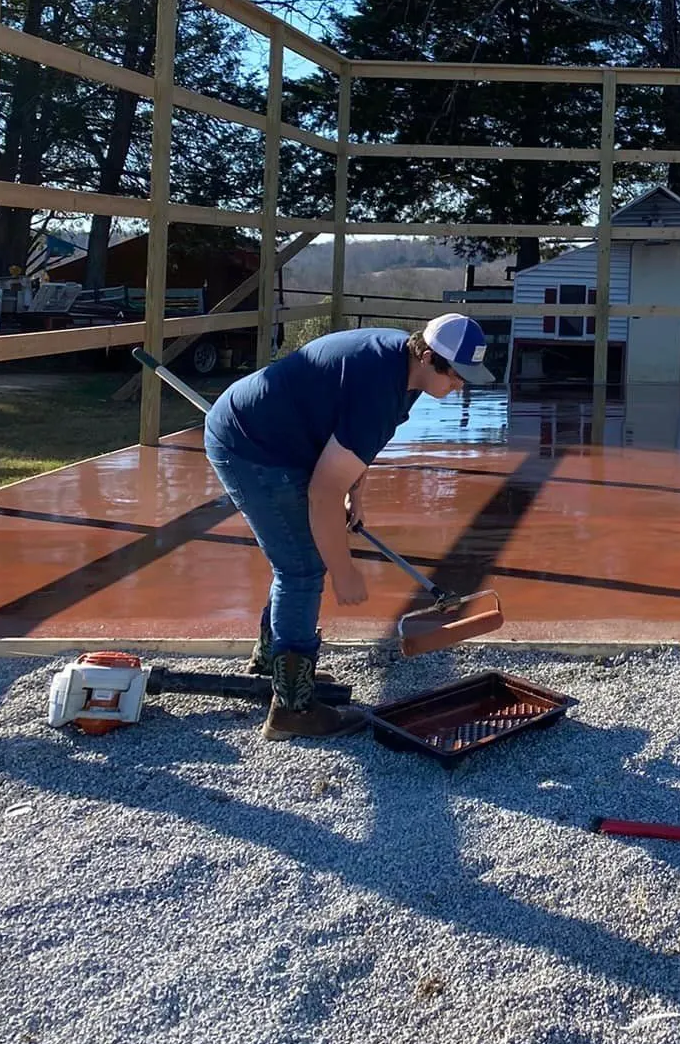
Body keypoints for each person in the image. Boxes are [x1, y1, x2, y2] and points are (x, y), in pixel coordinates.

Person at [202, 314, 494, 740]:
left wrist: (356, 491)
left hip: (284, 436)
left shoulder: (404, 366)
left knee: (297, 558)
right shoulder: (381, 385)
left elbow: (359, 439)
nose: (460, 386)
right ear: (429, 357)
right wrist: (342, 569)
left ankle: (271, 663)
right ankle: (292, 709)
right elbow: (323, 493)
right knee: (302, 568)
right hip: (251, 446)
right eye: (456, 375)